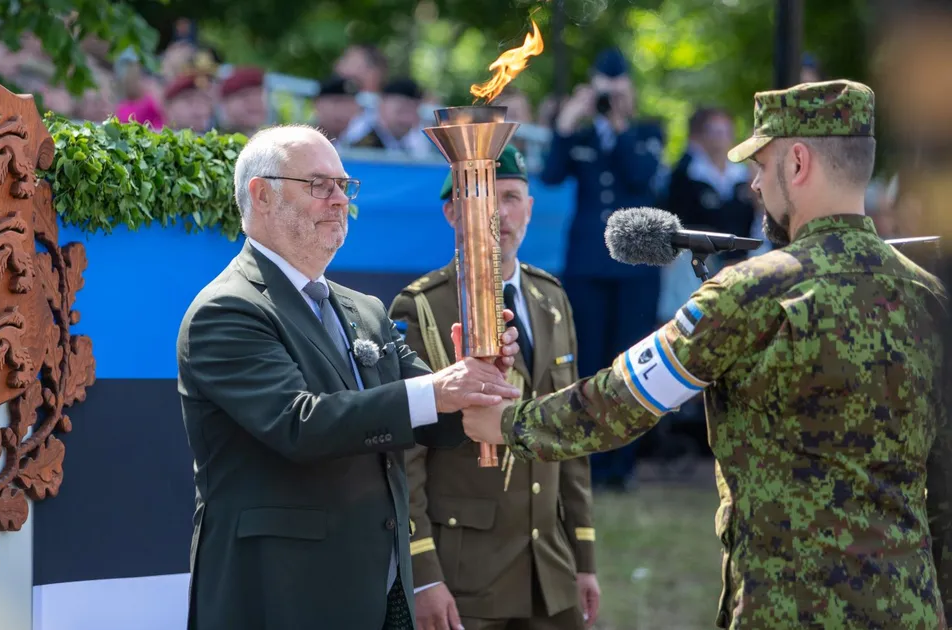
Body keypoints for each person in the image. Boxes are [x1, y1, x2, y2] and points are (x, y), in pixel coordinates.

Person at [459, 80, 952, 628]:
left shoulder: (754, 291)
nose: (755, 183)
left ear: (797, 162)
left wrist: (509, 423)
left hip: (789, 610)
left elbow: (626, 398)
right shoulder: (930, 298)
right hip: (912, 608)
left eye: (761, 164)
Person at [177, 124, 525, 630]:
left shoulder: (363, 308)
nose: (340, 200)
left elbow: (436, 421)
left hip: (378, 584)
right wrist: (440, 387)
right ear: (262, 194)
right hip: (281, 592)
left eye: (344, 185)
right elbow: (300, 426)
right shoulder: (228, 310)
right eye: (320, 185)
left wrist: (475, 378)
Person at [389, 145, 601, 630]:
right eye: (483, 199)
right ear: (451, 213)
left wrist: (584, 556)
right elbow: (407, 452)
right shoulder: (421, 307)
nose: (499, 214)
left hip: (549, 567)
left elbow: (571, 432)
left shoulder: (552, 298)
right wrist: (423, 575)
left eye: (511, 198)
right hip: (465, 573)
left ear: (529, 208)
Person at [539, 48, 665, 491]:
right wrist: (565, 124)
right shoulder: (580, 136)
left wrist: (620, 125)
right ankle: (588, 461)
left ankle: (621, 465)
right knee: (588, 360)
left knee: (631, 362)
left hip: (636, 268)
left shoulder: (647, 131)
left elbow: (643, 177)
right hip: (588, 265)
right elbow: (551, 175)